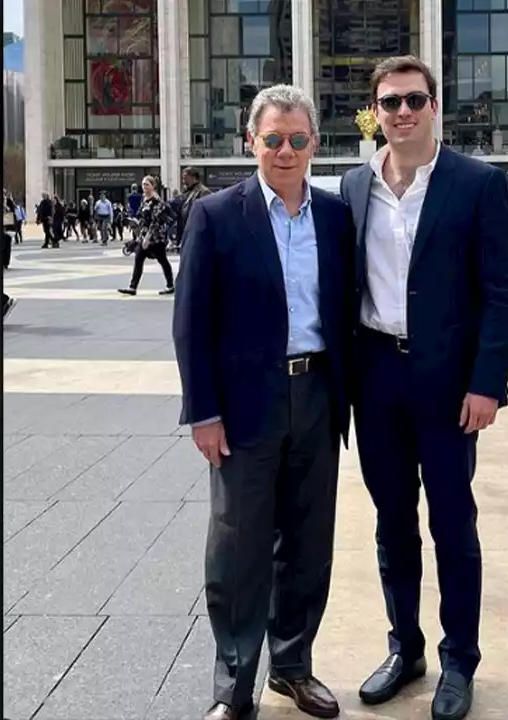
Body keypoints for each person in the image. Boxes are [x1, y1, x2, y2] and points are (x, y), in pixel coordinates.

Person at [339, 55, 508, 720]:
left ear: (434, 106)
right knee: (392, 524)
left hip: (447, 385)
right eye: (390, 102)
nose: (403, 112)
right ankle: (405, 647)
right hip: (377, 376)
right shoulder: (354, 186)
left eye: (415, 99)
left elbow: (500, 295)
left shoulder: (476, 183)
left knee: (452, 523)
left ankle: (459, 659)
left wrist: (487, 385)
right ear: (375, 113)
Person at [173, 84, 355, 720]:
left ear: (314, 144)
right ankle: (233, 687)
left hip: (318, 395)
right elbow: (191, 321)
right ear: (251, 142)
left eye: (298, 140)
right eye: (273, 139)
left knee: (309, 541)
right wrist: (203, 411)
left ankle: (294, 666)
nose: (286, 151)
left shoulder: (334, 219)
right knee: (238, 545)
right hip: (245, 405)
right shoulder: (218, 215)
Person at [117, 175, 176, 296]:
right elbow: (141, 217)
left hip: (155, 237)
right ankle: (132, 287)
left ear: (153, 186)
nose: (144, 187)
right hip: (143, 236)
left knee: (162, 260)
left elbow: (156, 221)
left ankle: (170, 285)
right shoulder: (144, 200)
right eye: (143, 184)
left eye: (147, 184)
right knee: (138, 259)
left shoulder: (157, 201)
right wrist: (134, 223)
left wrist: (148, 238)